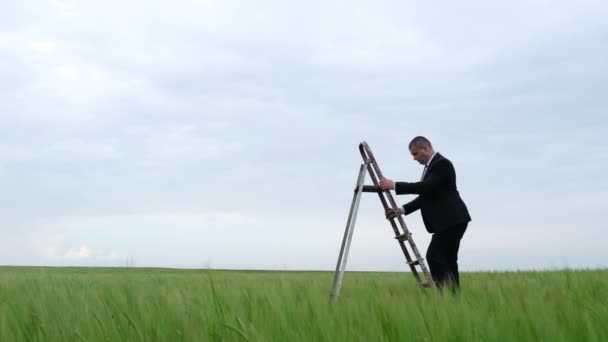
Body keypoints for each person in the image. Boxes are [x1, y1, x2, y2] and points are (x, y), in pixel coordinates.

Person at [379, 136, 471, 292]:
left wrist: (394, 185)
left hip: (452, 220)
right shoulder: (430, 167)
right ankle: (453, 297)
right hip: (452, 220)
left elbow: (424, 187)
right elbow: (425, 197)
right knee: (448, 259)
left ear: (425, 149)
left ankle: (440, 291)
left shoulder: (442, 164)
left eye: (415, 154)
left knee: (434, 255)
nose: (414, 158)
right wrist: (400, 210)